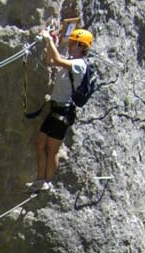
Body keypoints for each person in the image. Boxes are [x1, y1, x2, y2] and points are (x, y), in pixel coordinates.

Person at [27, 28, 94, 192]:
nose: (69, 45)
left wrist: (49, 40)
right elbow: (51, 61)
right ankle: (40, 180)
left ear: (80, 45)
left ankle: (46, 182)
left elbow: (56, 60)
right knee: (39, 143)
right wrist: (51, 43)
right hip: (56, 109)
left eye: (72, 43)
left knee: (52, 149)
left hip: (63, 112)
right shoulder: (72, 62)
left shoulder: (79, 65)